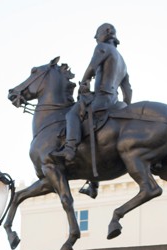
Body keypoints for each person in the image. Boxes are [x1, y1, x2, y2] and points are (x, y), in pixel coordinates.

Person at [50, 22, 133, 166]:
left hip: (101, 98)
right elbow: (128, 89)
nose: (95, 38)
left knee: (72, 114)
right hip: (114, 101)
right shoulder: (123, 62)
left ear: (107, 32)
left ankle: (69, 148)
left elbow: (91, 68)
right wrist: (127, 107)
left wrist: (83, 84)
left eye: (97, 34)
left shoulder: (102, 47)